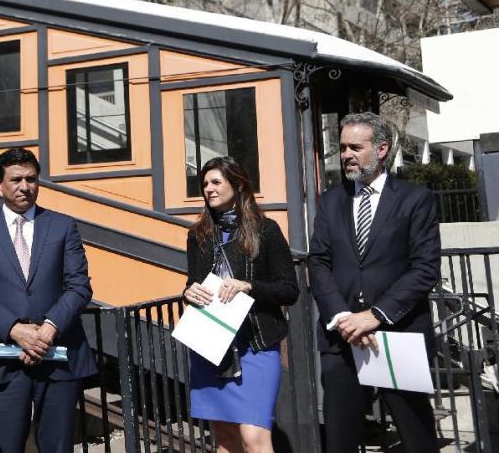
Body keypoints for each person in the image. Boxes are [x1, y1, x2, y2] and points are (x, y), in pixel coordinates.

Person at [308, 112, 440, 453]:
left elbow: (424, 269)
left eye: (355, 147)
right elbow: (319, 262)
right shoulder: (332, 201)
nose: (346, 155)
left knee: (416, 436)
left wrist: (375, 315)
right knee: (340, 439)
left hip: (398, 334)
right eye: (342, 148)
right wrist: (342, 318)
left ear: (381, 149)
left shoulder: (415, 199)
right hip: (341, 339)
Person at [0, 148, 97, 453]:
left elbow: (79, 286)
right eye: (16, 179)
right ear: (0, 183)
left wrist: (48, 330)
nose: (25, 186)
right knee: (4, 446)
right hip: (4, 359)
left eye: (32, 179)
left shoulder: (63, 226)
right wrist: (16, 331)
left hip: (59, 355)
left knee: (58, 446)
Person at [182, 156, 298, 453]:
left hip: (255, 346)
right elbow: (193, 281)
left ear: (237, 184)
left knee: (255, 440)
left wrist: (249, 286)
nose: (208, 188)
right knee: (227, 440)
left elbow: (289, 290)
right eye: (205, 183)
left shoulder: (266, 230)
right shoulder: (198, 236)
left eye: (216, 182)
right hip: (211, 348)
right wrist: (189, 293)